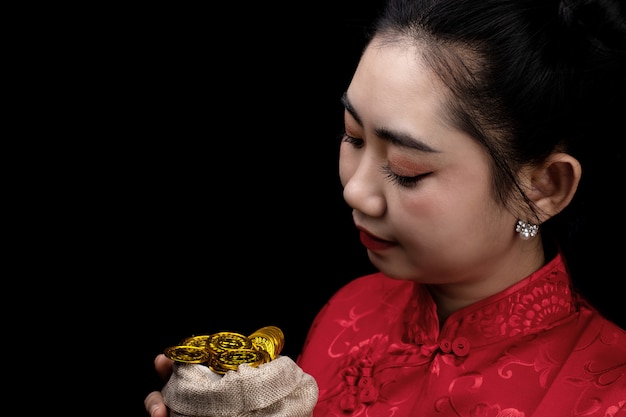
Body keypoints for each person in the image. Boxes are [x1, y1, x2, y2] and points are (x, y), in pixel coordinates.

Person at [145, 0, 626, 415]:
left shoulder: (609, 394)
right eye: (352, 136)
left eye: (407, 169)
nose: (354, 191)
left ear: (544, 187)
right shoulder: (350, 311)